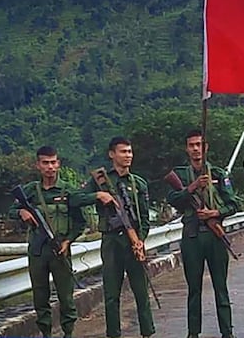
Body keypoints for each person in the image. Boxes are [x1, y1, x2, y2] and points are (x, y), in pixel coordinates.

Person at [77, 137, 155, 338]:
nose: (128, 155)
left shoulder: (138, 183)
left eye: (130, 151)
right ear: (112, 154)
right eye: (123, 152)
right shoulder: (100, 180)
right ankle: (113, 334)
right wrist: (97, 196)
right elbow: (76, 199)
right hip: (112, 241)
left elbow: (145, 217)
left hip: (133, 241)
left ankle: (147, 332)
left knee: (141, 292)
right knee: (112, 294)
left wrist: (140, 240)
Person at [167, 129, 239, 338]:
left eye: (199, 145)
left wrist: (215, 212)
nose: (196, 149)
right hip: (192, 237)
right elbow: (173, 198)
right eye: (192, 145)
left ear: (206, 147)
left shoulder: (218, 174)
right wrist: (192, 187)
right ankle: (193, 333)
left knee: (220, 287)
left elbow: (233, 204)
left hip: (215, 236)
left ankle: (227, 332)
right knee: (194, 288)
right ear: (187, 148)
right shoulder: (180, 174)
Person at [9, 146, 86, 338]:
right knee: (40, 297)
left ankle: (68, 333)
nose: (50, 167)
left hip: (60, 250)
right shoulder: (30, 191)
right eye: (45, 163)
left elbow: (80, 222)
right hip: (38, 252)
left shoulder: (68, 191)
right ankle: (46, 333)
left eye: (53, 162)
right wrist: (21, 212)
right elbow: (11, 210)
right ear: (38, 165)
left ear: (58, 164)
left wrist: (68, 241)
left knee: (66, 297)